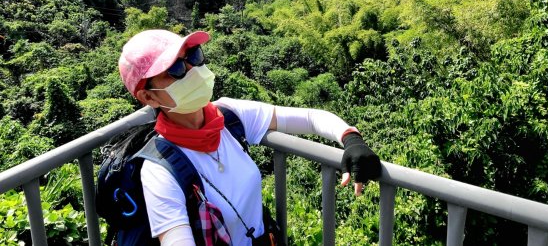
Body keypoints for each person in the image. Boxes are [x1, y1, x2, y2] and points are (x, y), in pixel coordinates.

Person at [118, 29, 381, 246]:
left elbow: (312, 118)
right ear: (148, 96)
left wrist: (351, 139)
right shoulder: (159, 170)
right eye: (175, 68)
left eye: (193, 56)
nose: (192, 69)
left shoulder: (229, 116)